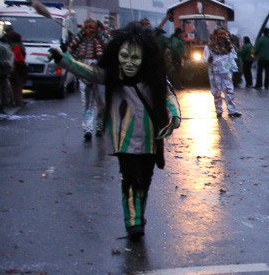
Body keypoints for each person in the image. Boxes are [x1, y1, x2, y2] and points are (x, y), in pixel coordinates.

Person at [50, 22, 181, 240]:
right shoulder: (112, 75)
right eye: (125, 56)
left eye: (135, 58)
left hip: (150, 138)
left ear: (145, 57)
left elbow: (169, 97)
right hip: (124, 139)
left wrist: (175, 118)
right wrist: (63, 59)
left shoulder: (154, 78)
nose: (129, 62)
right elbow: (89, 72)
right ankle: (133, 222)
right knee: (131, 179)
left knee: (145, 180)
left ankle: (137, 215)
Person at [66, 19, 107, 140]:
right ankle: (88, 128)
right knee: (87, 102)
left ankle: (99, 126)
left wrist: (98, 33)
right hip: (84, 72)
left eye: (91, 27)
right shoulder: (80, 40)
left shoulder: (100, 39)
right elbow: (71, 49)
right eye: (86, 27)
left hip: (98, 72)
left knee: (101, 102)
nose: (88, 30)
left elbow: (107, 46)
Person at [203, 27, 240, 118]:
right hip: (214, 73)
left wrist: (234, 68)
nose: (222, 36)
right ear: (216, 35)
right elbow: (205, 59)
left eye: (224, 34)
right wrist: (209, 60)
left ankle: (232, 111)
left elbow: (232, 58)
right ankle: (219, 110)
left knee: (229, 91)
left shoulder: (229, 46)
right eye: (220, 34)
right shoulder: (210, 46)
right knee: (216, 92)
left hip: (226, 72)